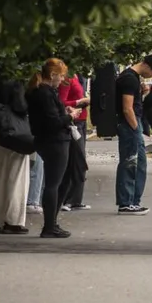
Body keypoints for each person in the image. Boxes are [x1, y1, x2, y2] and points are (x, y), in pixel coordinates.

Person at [27, 59, 76, 239]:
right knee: (54, 183)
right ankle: (50, 225)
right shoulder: (45, 94)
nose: (62, 79)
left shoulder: (40, 92)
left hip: (49, 140)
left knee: (60, 180)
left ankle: (52, 223)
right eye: (61, 75)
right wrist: (69, 116)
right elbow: (53, 122)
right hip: (55, 141)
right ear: (53, 74)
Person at [0, 76, 34, 234]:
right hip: (16, 131)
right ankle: (13, 220)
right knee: (17, 176)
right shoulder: (16, 80)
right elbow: (20, 106)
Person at [115, 55, 152, 215]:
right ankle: (126, 202)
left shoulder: (130, 78)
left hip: (131, 124)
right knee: (131, 162)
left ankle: (132, 200)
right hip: (129, 125)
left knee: (138, 162)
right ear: (147, 66)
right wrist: (136, 128)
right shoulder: (129, 79)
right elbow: (127, 108)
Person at [58, 71, 91, 211]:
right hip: (74, 121)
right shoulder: (67, 79)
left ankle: (76, 199)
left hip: (81, 120)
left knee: (80, 160)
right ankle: (67, 199)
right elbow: (61, 102)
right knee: (75, 159)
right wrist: (79, 102)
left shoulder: (79, 77)